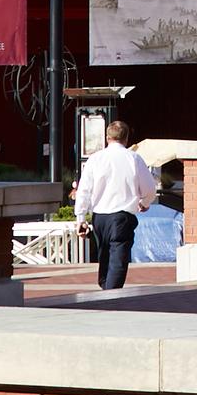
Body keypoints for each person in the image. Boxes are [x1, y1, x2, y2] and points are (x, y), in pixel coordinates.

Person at [73, 109, 152, 291]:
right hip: (122, 216)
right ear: (126, 139)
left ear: (107, 138)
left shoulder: (95, 159)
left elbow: (84, 190)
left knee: (104, 255)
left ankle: (105, 286)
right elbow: (149, 189)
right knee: (118, 259)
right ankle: (110, 294)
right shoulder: (134, 158)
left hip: (100, 217)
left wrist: (80, 218)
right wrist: (144, 203)